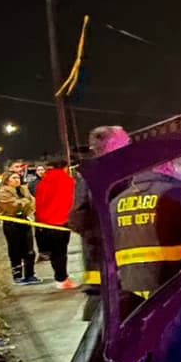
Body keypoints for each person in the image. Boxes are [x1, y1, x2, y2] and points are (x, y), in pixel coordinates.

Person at [111, 155, 181, 304]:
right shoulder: (178, 195)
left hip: (132, 292)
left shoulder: (116, 203)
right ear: (170, 167)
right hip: (175, 286)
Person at [67, 124, 131, 320]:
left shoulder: (87, 174)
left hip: (97, 260)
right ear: (113, 144)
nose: (129, 144)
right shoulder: (125, 172)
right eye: (125, 141)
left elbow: (77, 217)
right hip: (117, 258)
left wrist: (93, 234)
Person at [34, 158, 76, 289]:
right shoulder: (68, 181)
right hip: (62, 222)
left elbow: (38, 203)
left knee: (54, 253)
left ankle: (61, 278)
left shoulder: (42, 183)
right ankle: (62, 279)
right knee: (61, 252)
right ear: (64, 167)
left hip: (45, 223)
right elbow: (73, 201)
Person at [0, 170, 38, 284]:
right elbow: (12, 206)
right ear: (7, 180)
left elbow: (32, 202)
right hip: (11, 224)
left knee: (29, 251)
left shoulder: (23, 190)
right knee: (15, 251)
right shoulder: (3, 192)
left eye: (18, 178)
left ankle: (30, 275)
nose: (17, 180)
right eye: (14, 178)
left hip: (24, 221)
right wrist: (24, 202)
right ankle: (17, 275)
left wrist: (24, 203)